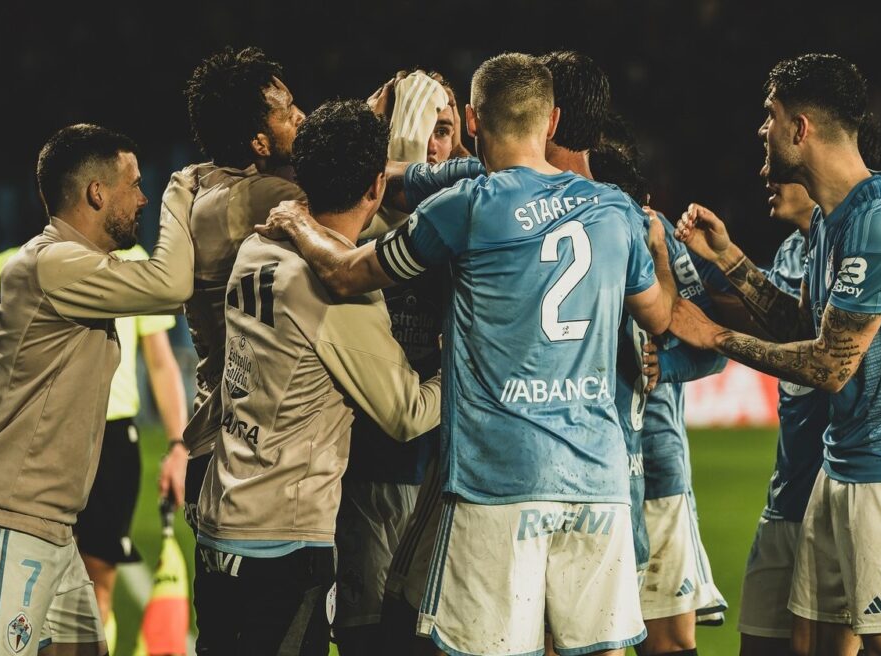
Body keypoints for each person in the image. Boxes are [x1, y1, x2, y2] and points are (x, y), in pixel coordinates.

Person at [261, 52, 677, 656]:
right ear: (554, 121)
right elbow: (659, 316)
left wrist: (297, 222)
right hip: (598, 479)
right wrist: (659, 252)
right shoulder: (613, 209)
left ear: (475, 123)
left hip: (499, 480)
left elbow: (348, 275)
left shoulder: (467, 207)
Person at [671, 53, 881, 654]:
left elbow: (830, 365)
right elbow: (800, 325)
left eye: (770, 115)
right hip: (844, 465)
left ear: (800, 128)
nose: (762, 129)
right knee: (808, 641)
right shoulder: (834, 221)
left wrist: (714, 335)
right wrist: (730, 260)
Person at [0, 123, 194, 655]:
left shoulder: (82, 267)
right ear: (97, 193)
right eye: (136, 183)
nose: (144, 196)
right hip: (3, 521)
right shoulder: (52, 263)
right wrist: (184, 194)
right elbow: (173, 282)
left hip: (49, 524)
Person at [193, 99, 441, 655]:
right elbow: (407, 413)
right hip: (280, 539)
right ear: (377, 186)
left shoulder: (258, 244)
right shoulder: (338, 293)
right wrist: (472, 364)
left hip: (221, 517)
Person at [0, 243, 190, 652]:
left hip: (112, 437)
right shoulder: (14, 262)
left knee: (97, 582)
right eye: (130, 183)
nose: (139, 197)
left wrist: (177, 446)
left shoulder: (134, 261)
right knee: (29, 588)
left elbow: (160, 361)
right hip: (35, 438)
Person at [591, 134, 730, 656]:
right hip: (583, 473)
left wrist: (663, 363)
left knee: (669, 639)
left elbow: (713, 346)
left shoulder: (660, 235)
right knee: (583, 635)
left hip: (656, 470)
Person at [334, 70, 456, 656]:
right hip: (368, 459)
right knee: (364, 634)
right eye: (420, 130)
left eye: (445, 130)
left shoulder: (472, 223)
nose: (434, 146)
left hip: (445, 470)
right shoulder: (350, 230)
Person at [179, 45, 308, 529]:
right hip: (238, 447)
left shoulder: (211, 184)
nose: (302, 116)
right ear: (258, 143)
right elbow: (360, 194)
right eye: (287, 112)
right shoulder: (257, 197)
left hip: (219, 440)